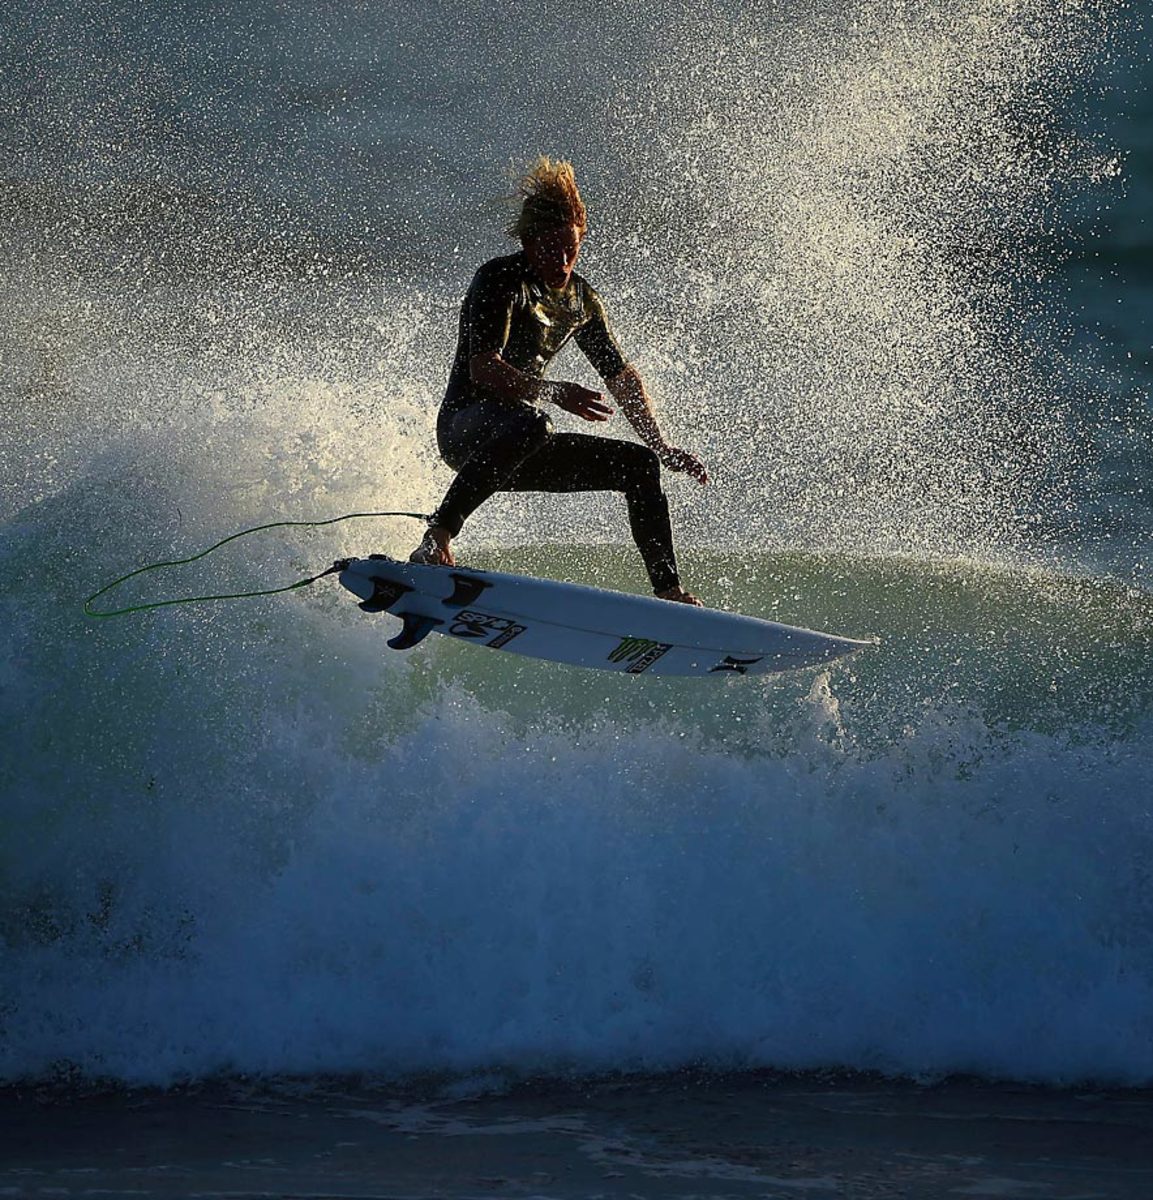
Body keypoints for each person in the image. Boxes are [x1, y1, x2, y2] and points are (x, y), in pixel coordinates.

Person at [410, 157, 708, 604]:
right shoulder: (500, 280)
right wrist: (554, 392)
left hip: (521, 440)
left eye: (571, 249)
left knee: (639, 465)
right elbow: (483, 368)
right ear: (529, 243)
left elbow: (621, 376)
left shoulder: (580, 299)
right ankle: (437, 538)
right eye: (551, 249)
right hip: (468, 431)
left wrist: (661, 445)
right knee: (534, 422)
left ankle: (669, 592)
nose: (563, 261)